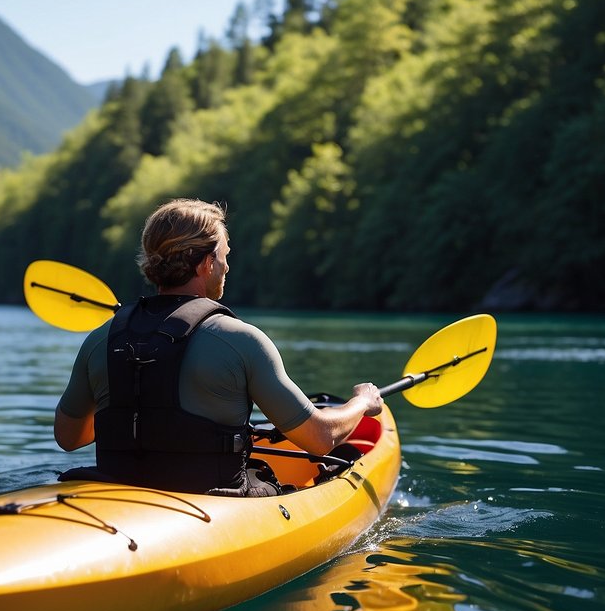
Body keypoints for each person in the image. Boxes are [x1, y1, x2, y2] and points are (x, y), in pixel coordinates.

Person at [54, 198, 383, 496]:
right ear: (205, 264)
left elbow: (69, 438)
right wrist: (361, 402)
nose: (227, 266)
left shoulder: (101, 338)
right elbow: (320, 439)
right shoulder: (241, 339)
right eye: (224, 256)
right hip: (213, 501)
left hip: (114, 490)